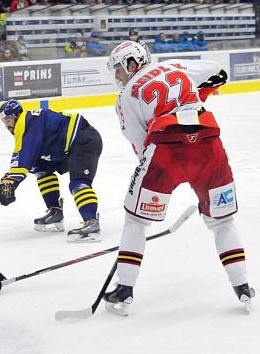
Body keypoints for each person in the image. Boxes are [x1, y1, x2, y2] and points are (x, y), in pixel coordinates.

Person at [103, 41, 254, 315]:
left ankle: (124, 289)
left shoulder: (125, 97)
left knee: (136, 220)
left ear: (132, 64)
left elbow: (140, 144)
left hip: (166, 150)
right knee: (222, 221)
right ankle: (242, 285)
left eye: (118, 70)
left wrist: (153, 179)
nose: (117, 77)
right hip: (208, 144)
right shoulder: (173, 66)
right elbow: (219, 72)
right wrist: (197, 96)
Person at [0, 99, 103, 242]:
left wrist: (10, 181)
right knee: (39, 167)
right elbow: (27, 157)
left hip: (83, 141)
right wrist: (10, 178)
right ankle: (55, 212)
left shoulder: (28, 122)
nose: (7, 125)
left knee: (78, 183)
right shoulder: (27, 124)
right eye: (4, 121)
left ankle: (91, 223)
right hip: (63, 146)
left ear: (17, 115)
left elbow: (24, 156)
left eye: (8, 119)